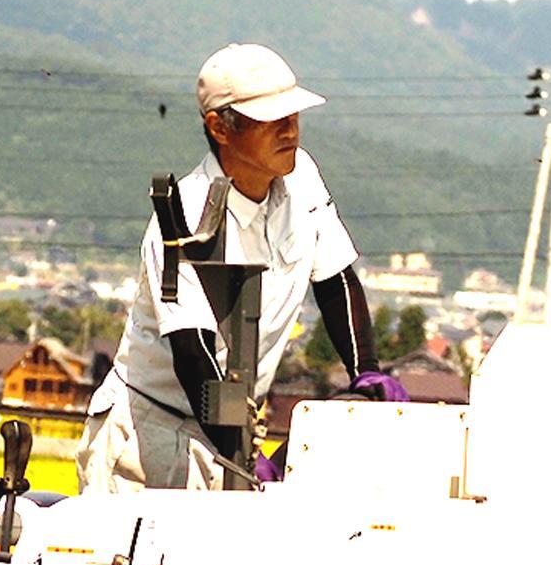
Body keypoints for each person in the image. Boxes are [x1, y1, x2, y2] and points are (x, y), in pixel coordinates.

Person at [76, 43, 406, 494]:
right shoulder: (187, 216)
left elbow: (335, 279)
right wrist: (244, 454)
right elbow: (195, 354)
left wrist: (366, 370)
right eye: (273, 120)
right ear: (220, 128)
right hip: (153, 436)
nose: (290, 132)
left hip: (233, 427)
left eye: (293, 117)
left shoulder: (301, 177)